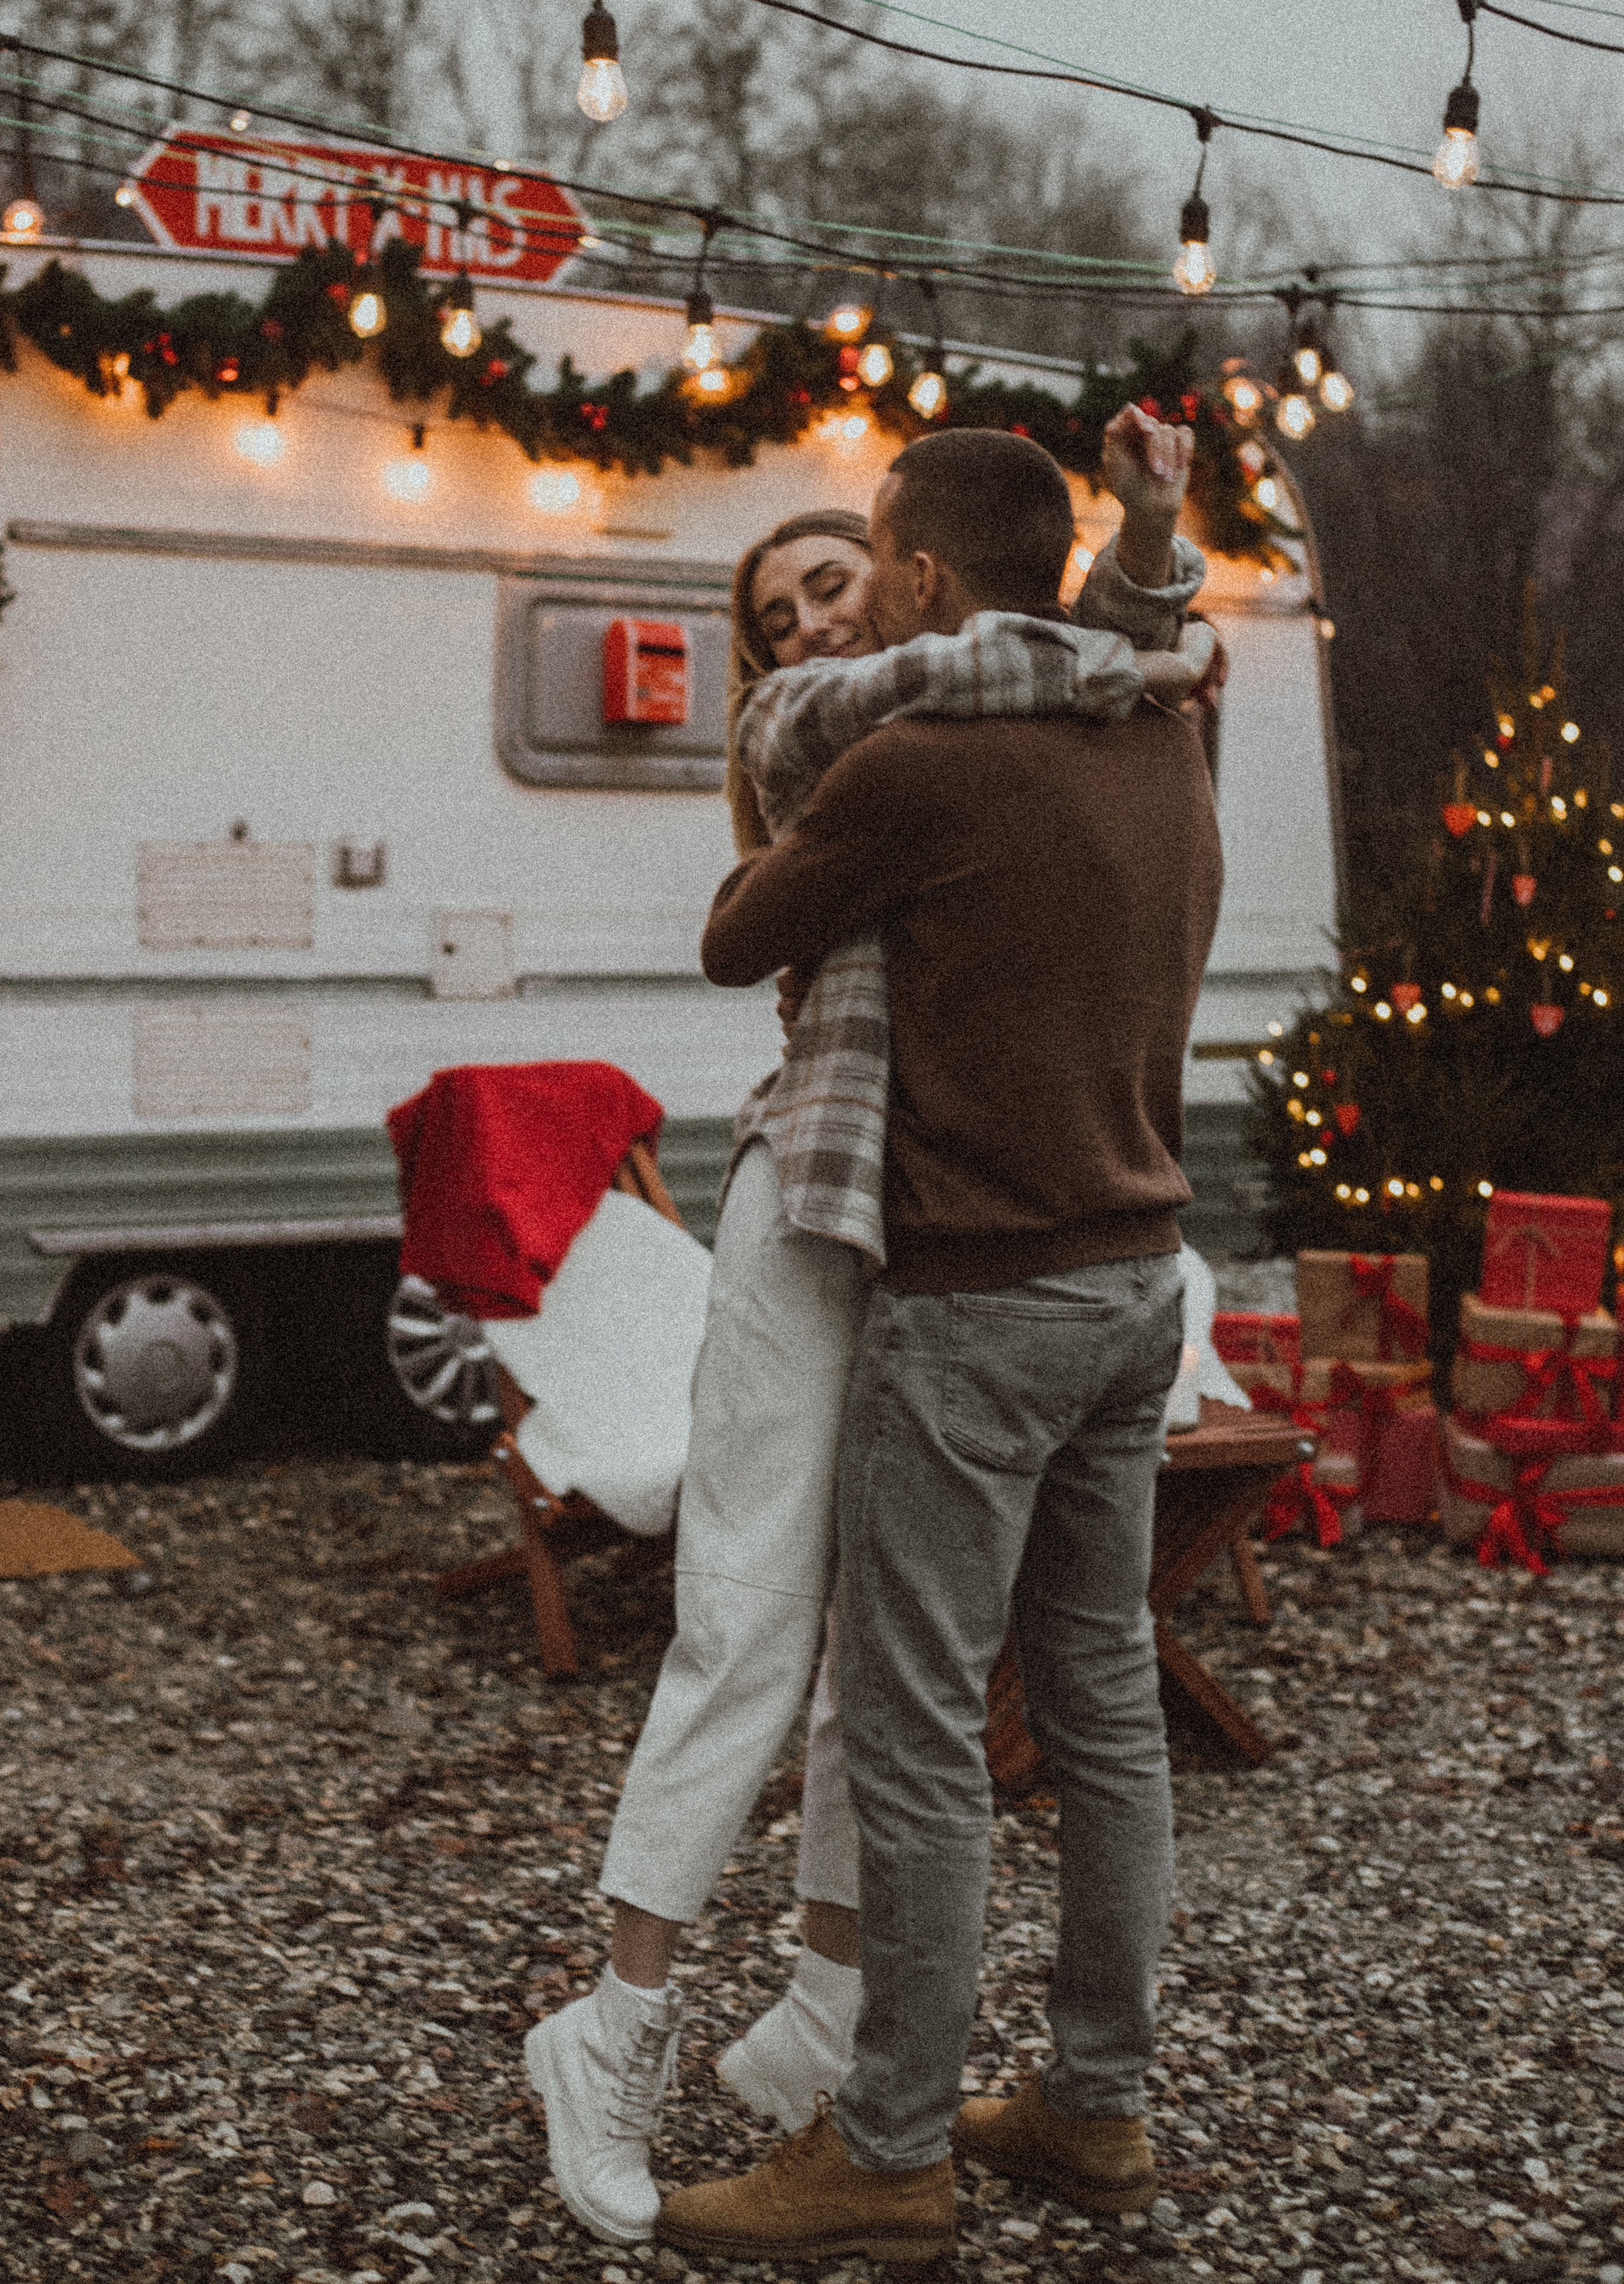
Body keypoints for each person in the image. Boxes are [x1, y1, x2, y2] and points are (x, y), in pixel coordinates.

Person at [527, 445, 1215, 2250]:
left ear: (906, 576)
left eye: (839, 582)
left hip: (963, 1261)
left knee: (900, 1697)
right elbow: (1101, 645)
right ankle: (620, 2031)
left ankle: (864, 2077)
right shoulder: (1063, 721)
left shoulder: (984, 731)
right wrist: (1135, 568)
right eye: (777, 623)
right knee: (769, 1627)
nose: (814, 622)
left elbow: (1094, 637)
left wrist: (1135, 559)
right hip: (889, 1218)